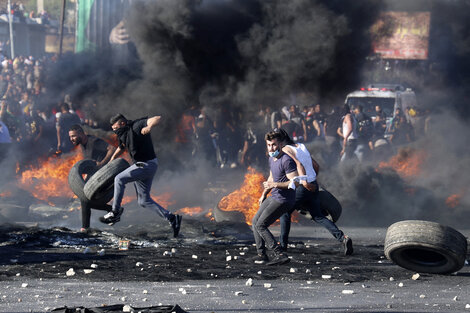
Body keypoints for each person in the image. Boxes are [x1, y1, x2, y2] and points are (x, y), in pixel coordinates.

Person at [100, 114, 182, 237]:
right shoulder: (124, 134)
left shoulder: (136, 126)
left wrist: (149, 127)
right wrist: (112, 160)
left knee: (119, 179)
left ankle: (115, 212)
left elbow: (158, 118)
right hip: (144, 165)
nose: (113, 128)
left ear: (122, 123)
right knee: (144, 201)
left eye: (114, 125)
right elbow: (121, 147)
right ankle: (172, 218)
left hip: (146, 164)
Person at [277, 129, 353, 255]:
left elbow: (298, 164)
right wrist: (311, 181)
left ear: (279, 141)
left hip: (303, 185)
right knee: (318, 216)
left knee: (285, 212)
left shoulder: (285, 149)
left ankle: (282, 246)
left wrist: (303, 182)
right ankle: (343, 238)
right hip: (313, 185)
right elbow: (316, 166)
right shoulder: (301, 146)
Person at [251, 130, 298, 266]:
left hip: (284, 200)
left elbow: (295, 182)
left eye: (274, 145)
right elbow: (271, 177)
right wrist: (264, 194)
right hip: (274, 196)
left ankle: (280, 254)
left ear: (281, 144)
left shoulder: (287, 160)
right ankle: (261, 255)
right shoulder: (271, 158)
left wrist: (275, 184)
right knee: (255, 222)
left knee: (261, 225)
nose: (271, 148)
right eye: (269, 145)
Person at [69, 124, 116, 232]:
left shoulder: (94, 141)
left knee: (85, 199)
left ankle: (85, 227)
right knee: (84, 199)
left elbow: (112, 148)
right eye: (70, 137)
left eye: (73, 136)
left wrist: (102, 163)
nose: (71, 139)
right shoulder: (83, 144)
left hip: (103, 175)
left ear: (81, 134)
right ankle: (87, 226)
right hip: (93, 174)